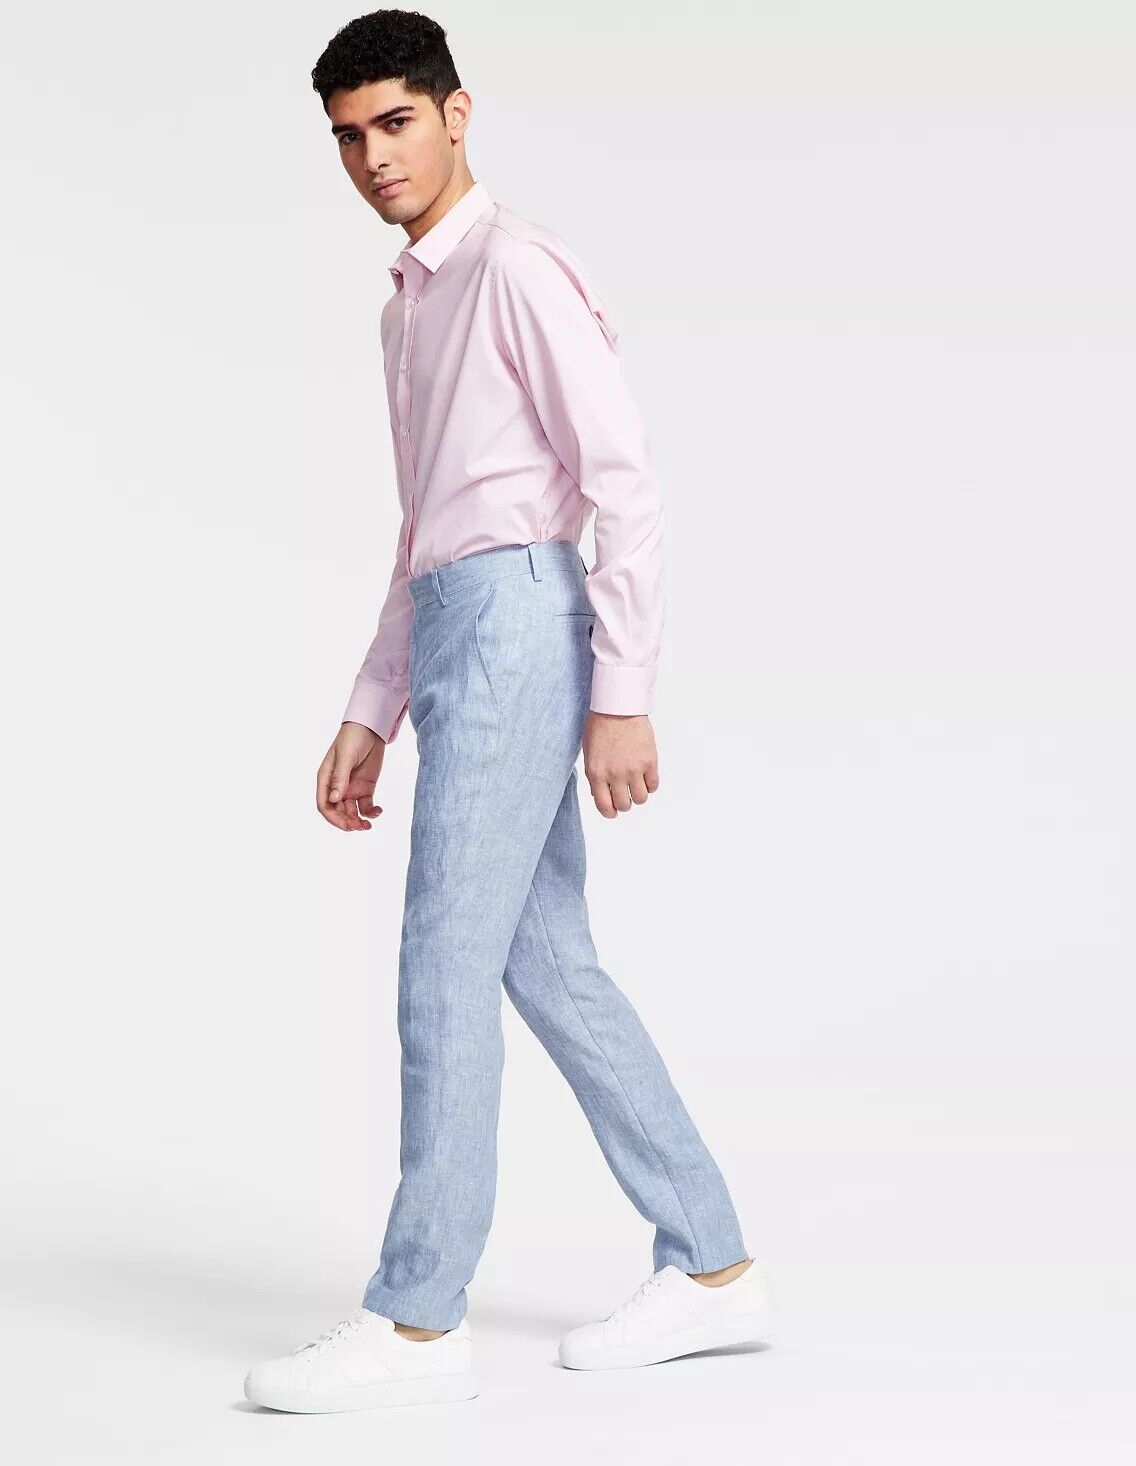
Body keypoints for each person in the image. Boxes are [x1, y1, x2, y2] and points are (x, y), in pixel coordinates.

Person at [244, 8, 773, 1415]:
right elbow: (425, 529)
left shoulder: (517, 270)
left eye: (395, 122)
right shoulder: (405, 306)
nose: (373, 156)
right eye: (348, 136)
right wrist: (371, 703)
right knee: (545, 962)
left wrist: (623, 692)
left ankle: (419, 1323)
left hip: (526, 623)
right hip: (459, 623)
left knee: (442, 960)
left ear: (457, 113)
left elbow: (624, 486)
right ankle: (712, 1261)